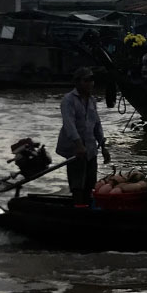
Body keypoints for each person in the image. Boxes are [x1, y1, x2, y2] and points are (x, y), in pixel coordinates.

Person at [56, 66, 110, 205]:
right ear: (78, 82)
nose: (91, 83)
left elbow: (97, 124)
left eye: (92, 79)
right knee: (77, 183)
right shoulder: (69, 100)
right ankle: (79, 208)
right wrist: (78, 145)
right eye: (87, 80)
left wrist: (103, 147)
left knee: (90, 182)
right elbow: (69, 124)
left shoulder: (92, 100)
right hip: (75, 148)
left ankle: (87, 206)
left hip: (91, 147)